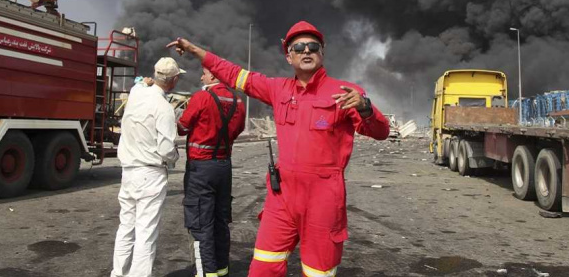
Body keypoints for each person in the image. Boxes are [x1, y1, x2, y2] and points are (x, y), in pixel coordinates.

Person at [167, 21, 390, 277]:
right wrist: (195, 51)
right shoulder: (277, 89)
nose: (306, 51)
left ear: (322, 52)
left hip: (323, 200)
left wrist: (365, 107)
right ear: (289, 56)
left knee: (317, 272)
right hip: (282, 198)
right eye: (299, 47)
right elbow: (233, 73)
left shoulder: (345, 93)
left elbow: (381, 132)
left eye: (312, 46)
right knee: (263, 267)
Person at [111, 57, 185, 277]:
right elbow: (165, 149)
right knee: (146, 232)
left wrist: (145, 82)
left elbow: (141, 83)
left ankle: (118, 273)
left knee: (126, 228)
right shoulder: (164, 108)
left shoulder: (136, 93)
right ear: (174, 80)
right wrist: (175, 156)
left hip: (128, 171)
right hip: (150, 174)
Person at [178, 67, 246, 277]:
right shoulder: (239, 103)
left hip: (201, 168)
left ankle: (206, 272)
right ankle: (221, 268)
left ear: (214, 76)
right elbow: (238, 129)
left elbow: (182, 126)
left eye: (204, 73)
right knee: (220, 219)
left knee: (200, 222)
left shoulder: (202, 97)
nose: (201, 76)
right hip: (224, 166)